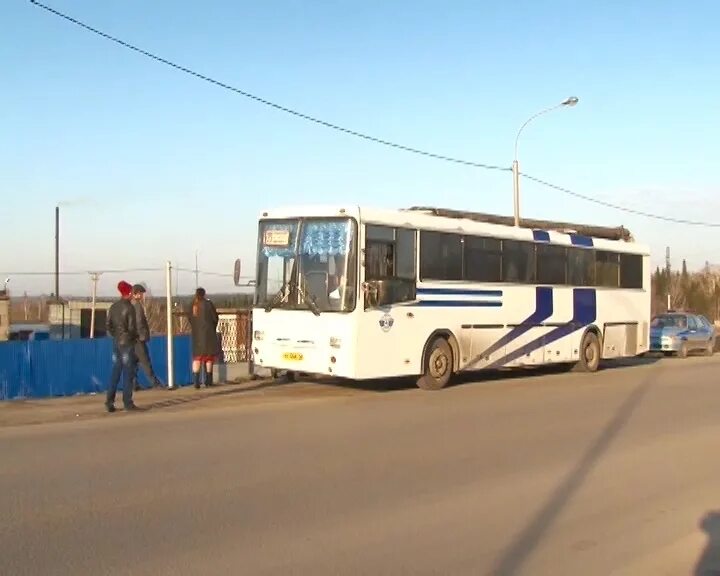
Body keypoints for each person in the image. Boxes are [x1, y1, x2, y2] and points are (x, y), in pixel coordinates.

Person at [105, 280, 139, 412]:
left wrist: (117, 336)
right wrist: (132, 338)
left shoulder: (113, 307)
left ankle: (109, 401)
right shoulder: (129, 308)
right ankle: (127, 402)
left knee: (115, 372)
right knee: (128, 373)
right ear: (129, 293)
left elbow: (108, 326)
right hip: (127, 344)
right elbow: (132, 328)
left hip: (116, 342)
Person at [130, 284, 164, 390]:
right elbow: (139, 322)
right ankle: (155, 383)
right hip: (138, 339)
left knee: (134, 362)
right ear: (136, 294)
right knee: (145, 361)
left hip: (131, 339)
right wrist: (142, 336)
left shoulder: (129, 305)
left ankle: (133, 384)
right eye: (141, 293)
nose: (142, 296)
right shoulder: (137, 306)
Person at [187, 287, 220, 389]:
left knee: (197, 358)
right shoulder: (209, 304)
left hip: (197, 335)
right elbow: (215, 318)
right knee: (208, 358)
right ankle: (208, 381)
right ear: (204, 294)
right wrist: (212, 327)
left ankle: (196, 382)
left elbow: (190, 318)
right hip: (209, 334)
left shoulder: (193, 305)